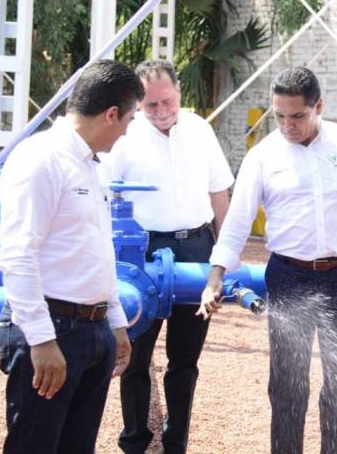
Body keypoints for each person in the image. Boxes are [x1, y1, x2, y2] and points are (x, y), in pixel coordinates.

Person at [200, 66, 337, 454]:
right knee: (288, 386)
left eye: (298, 116)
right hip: (289, 277)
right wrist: (215, 276)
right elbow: (237, 221)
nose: (288, 125)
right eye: (280, 115)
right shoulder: (262, 156)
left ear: (319, 106)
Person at [0, 59, 142, 453]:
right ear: (111, 114)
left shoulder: (91, 166)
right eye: (129, 120)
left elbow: (98, 250)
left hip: (90, 330)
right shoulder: (41, 159)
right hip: (53, 328)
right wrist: (42, 340)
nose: (126, 132)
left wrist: (114, 321)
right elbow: (17, 254)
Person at [99, 60, 234, 454]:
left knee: (185, 360)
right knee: (134, 355)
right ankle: (134, 442)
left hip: (196, 247)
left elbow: (219, 193)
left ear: (179, 93)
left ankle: (176, 444)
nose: (160, 111)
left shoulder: (200, 129)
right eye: (151, 105)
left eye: (167, 102)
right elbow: (105, 197)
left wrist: (225, 252)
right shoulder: (124, 136)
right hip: (140, 253)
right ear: (138, 103)